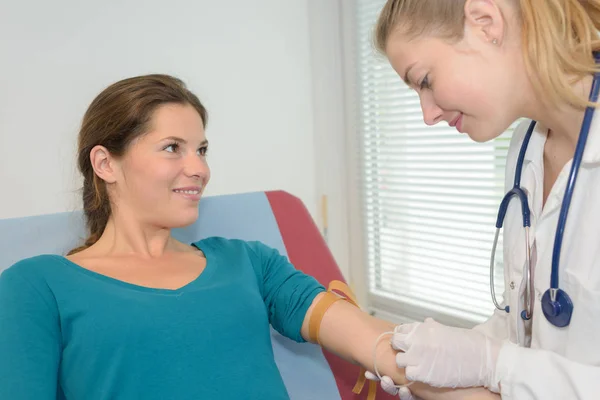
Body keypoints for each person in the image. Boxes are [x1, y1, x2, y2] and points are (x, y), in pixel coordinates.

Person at [0, 74, 497, 400]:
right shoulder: (38, 286)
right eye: (172, 148)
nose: (198, 168)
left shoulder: (247, 263)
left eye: (202, 149)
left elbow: (380, 345)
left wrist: (507, 384)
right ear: (105, 162)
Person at [368, 0, 600, 399]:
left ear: (485, 22)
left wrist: (493, 363)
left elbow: (509, 362)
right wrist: (451, 359)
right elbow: (530, 320)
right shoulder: (525, 150)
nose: (427, 115)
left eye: (424, 80)